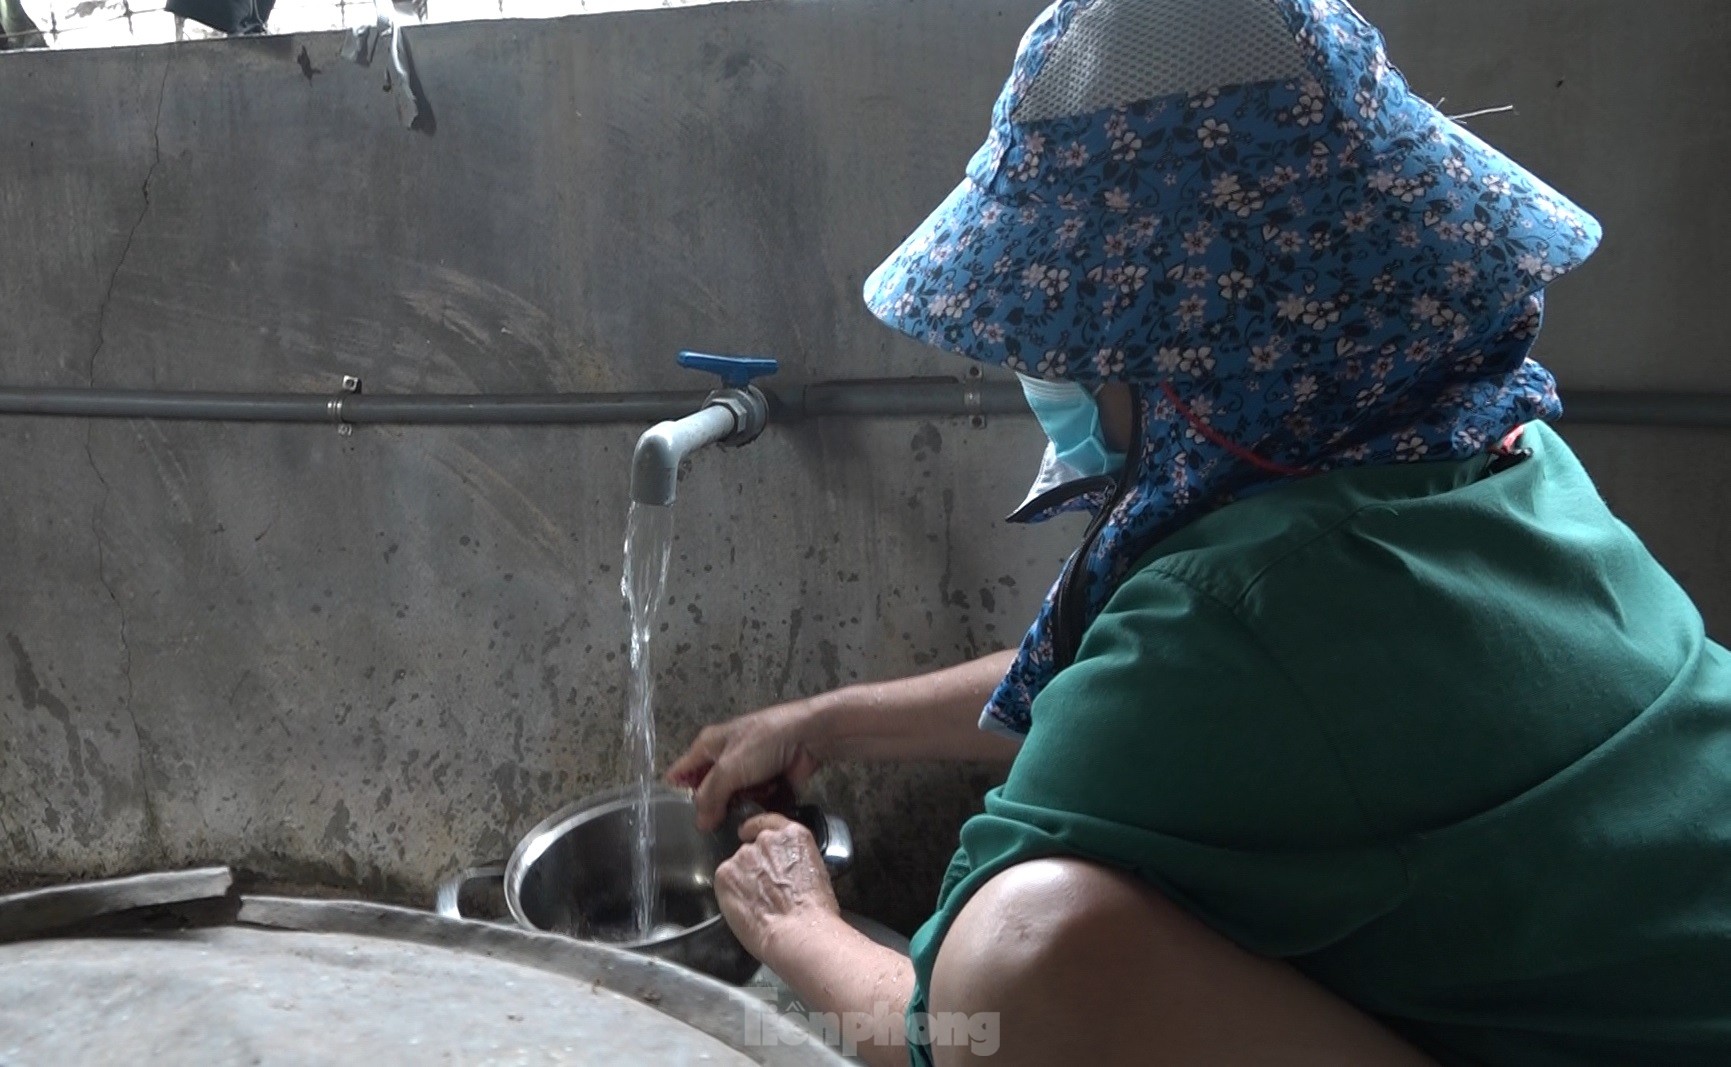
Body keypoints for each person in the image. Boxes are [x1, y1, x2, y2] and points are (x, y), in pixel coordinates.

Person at [670, 1, 1731, 1063]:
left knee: (1014, 946)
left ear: (1191, 350)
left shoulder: (1231, 619)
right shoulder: (1493, 460)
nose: (1059, 370)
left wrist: (794, 921)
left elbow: (953, 1030)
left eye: (1081, 334)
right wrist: (827, 719)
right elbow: (1140, 702)